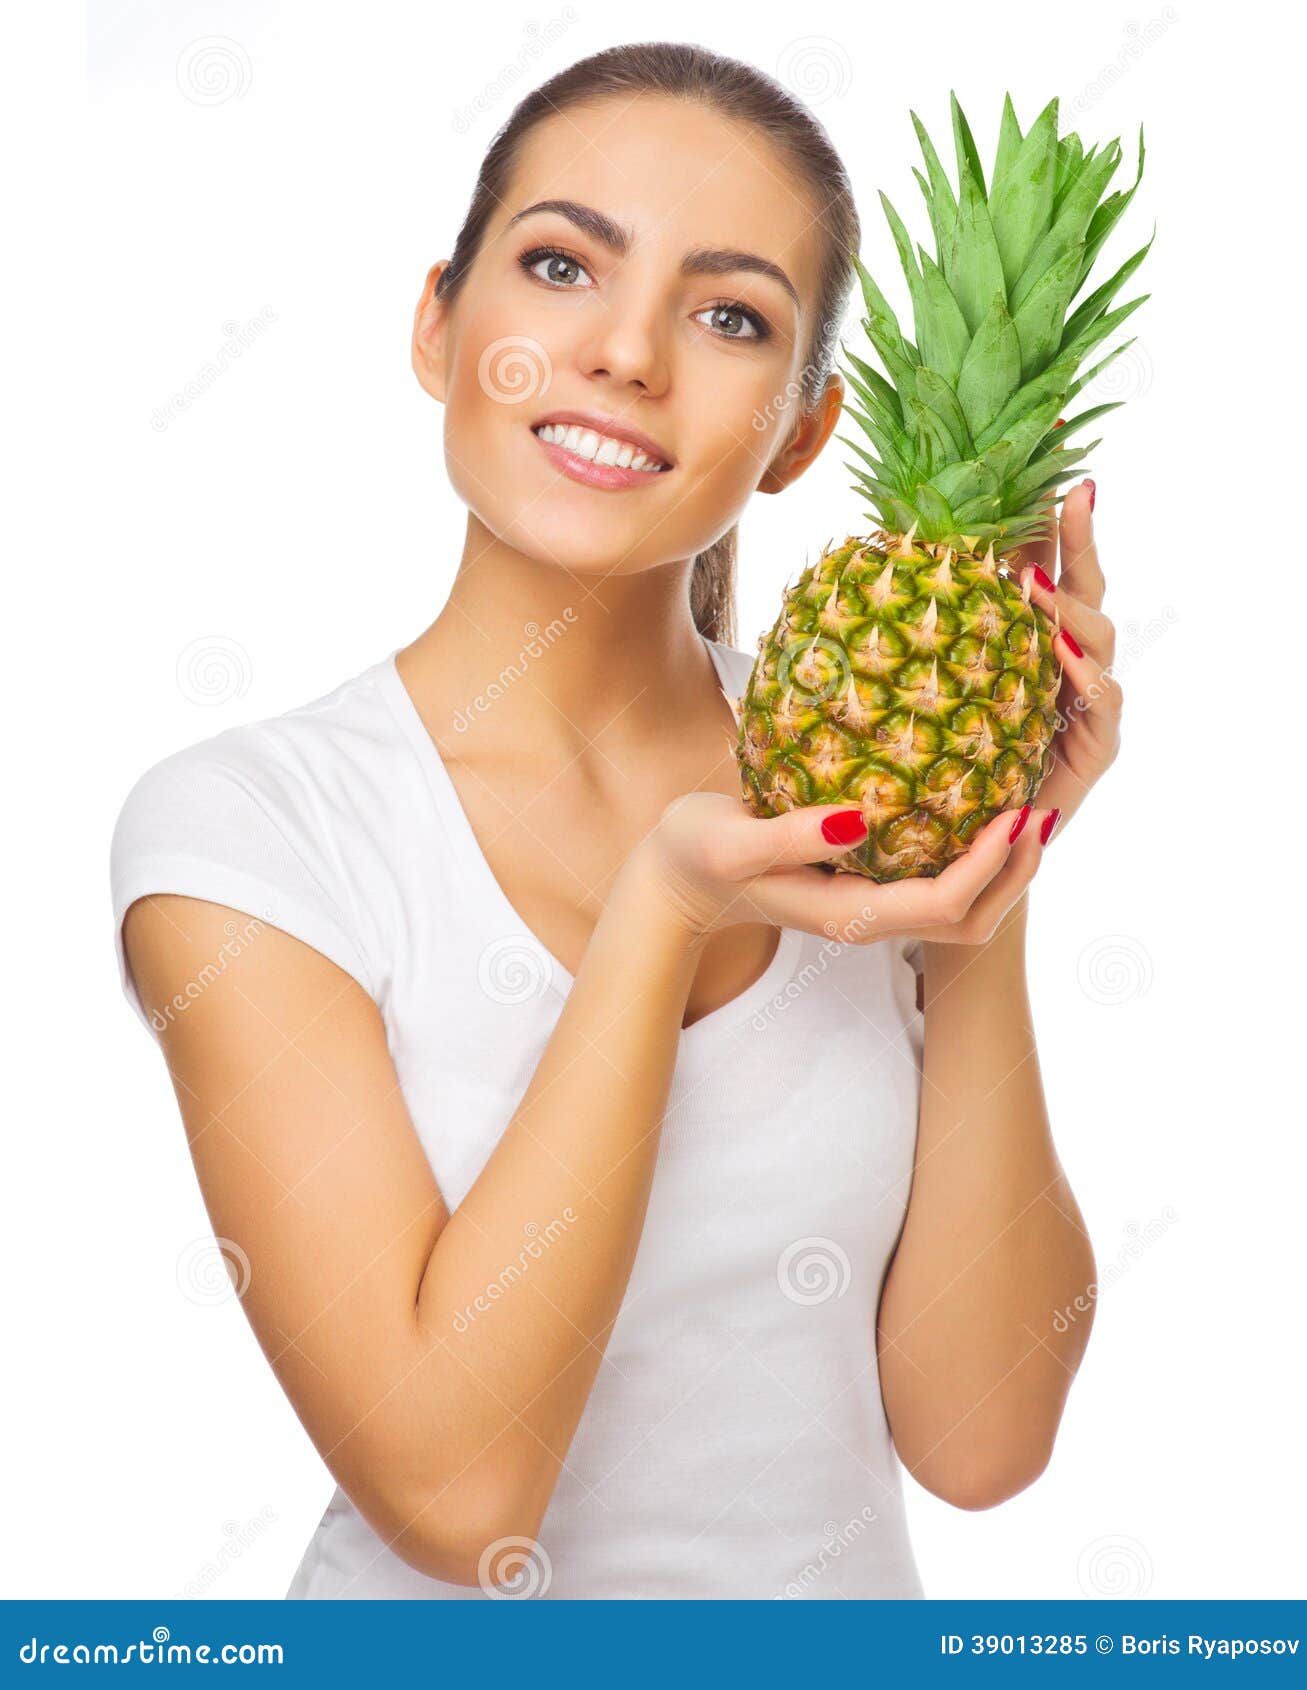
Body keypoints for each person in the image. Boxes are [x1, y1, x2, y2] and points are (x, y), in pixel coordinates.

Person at [109, 42, 1117, 1600]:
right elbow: (456, 1490)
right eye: (562, 263)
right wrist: (661, 916)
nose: (627, 353)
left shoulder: (856, 776)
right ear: (441, 326)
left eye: (729, 315)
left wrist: (990, 862)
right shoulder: (254, 828)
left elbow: (981, 1439)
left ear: (799, 431)